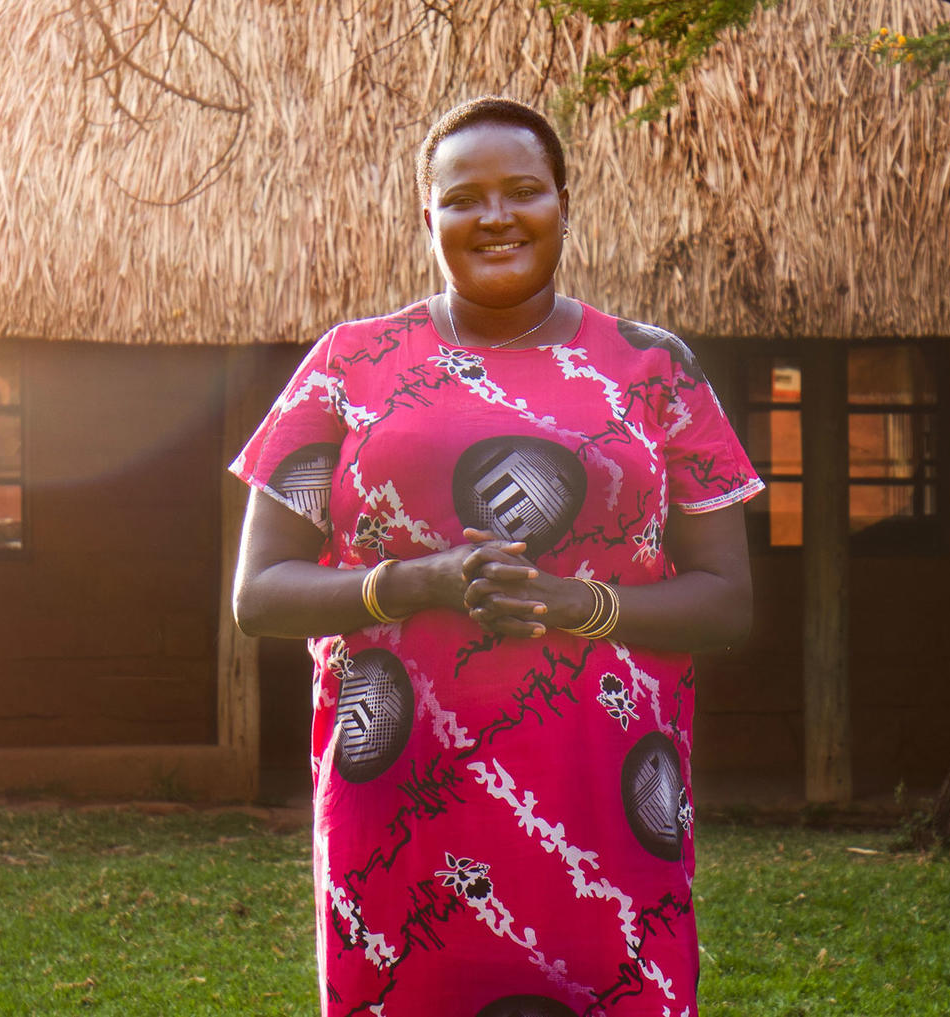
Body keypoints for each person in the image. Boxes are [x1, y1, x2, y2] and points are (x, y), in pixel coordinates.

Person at [230, 95, 763, 1017]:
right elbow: (259, 594)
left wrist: (572, 604)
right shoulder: (349, 365)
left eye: (524, 190)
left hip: (605, 797)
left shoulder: (652, 366)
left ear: (565, 203)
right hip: (401, 801)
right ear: (425, 215)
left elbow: (727, 601)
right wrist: (415, 584)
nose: (496, 215)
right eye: (464, 196)